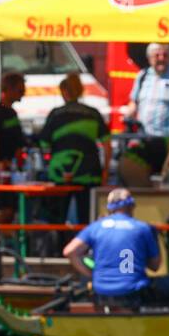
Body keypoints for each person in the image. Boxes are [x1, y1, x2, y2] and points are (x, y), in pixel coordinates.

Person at [67, 188, 169, 312]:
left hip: (101, 292)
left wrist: (91, 274)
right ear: (132, 207)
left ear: (109, 208)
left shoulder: (96, 227)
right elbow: (155, 267)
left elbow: (69, 252)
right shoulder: (143, 228)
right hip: (133, 293)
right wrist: (154, 238)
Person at [40, 72, 110, 226]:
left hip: (60, 173)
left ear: (64, 91)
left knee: (57, 221)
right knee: (87, 220)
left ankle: (60, 248)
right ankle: (85, 249)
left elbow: (44, 143)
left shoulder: (55, 114)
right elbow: (107, 145)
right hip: (89, 173)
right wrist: (105, 171)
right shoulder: (93, 114)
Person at [122, 43, 169, 179]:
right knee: (142, 176)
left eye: (165, 55)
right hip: (146, 138)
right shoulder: (142, 76)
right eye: (157, 55)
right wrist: (127, 116)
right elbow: (134, 102)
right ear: (149, 58)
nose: (161, 58)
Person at [0, 71, 26, 173]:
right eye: (20, 90)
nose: (23, 93)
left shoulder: (12, 112)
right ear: (9, 89)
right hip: (2, 171)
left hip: (12, 168)